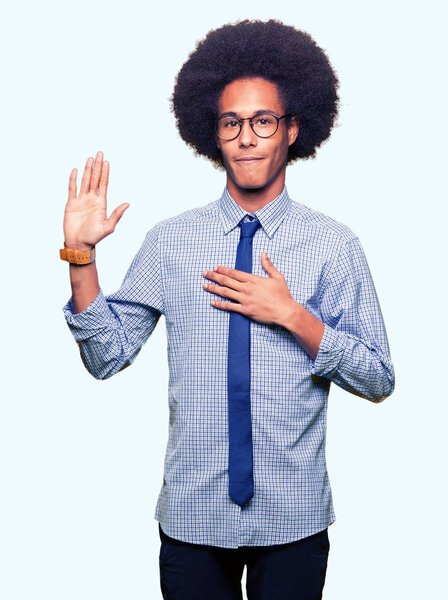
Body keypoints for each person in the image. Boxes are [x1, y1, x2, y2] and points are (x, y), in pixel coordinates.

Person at [61, 19, 395, 600]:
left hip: (293, 522)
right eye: (231, 122)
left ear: (292, 130)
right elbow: (106, 357)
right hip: (192, 519)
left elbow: (378, 378)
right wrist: (81, 255)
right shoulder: (171, 242)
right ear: (212, 134)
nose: (247, 137)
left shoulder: (333, 245)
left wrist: (295, 316)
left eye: (263, 121)